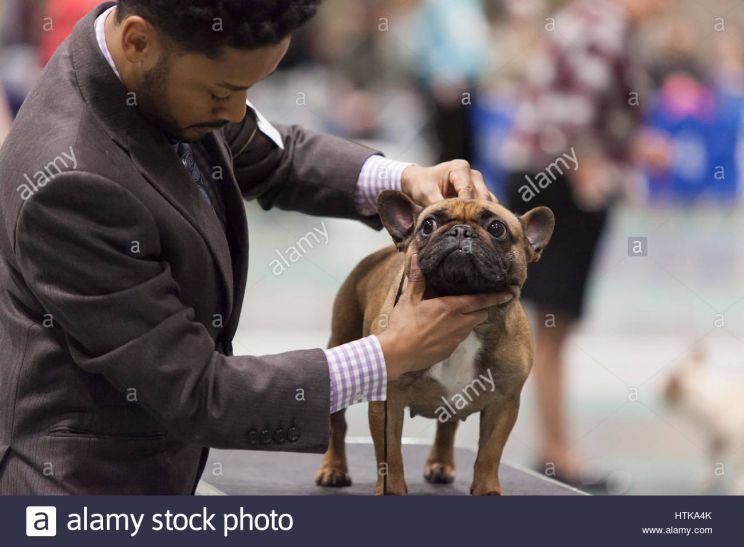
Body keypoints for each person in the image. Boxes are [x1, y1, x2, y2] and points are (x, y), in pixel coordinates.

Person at [0, 0, 510, 494]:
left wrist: (404, 178)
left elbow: (276, 155)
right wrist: (388, 355)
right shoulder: (69, 185)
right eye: (224, 91)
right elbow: (200, 391)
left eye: (250, 88)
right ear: (138, 41)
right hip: (86, 490)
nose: (237, 110)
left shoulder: (156, 66)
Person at [502, 0, 669, 491]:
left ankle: (554, 449)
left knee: (552, 325)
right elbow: (573, 116)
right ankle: (557, 456)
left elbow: (582, 106)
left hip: (549, 175)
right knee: (551, 326)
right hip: (561, 184)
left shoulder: (587, 20)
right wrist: (590, 173)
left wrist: (632, 149)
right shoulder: (604, 24)